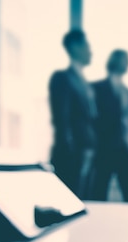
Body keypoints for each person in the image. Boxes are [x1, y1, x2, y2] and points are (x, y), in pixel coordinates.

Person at [48, 29, 97, 199]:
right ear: (75, 47)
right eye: (87, 46)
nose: (91, 51)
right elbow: (61, 120)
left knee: (84, 202)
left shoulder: (84, 82)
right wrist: (73, 153)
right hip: (72, 156)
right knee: (69, 203)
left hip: (87, 154)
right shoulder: (62, 78)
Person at [91, 49, 128, 202]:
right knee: (99, 193)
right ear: (115, 61)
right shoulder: (97, 88)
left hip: (125, 152)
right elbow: (92, 120)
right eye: (125, 60)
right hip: (104, 150)